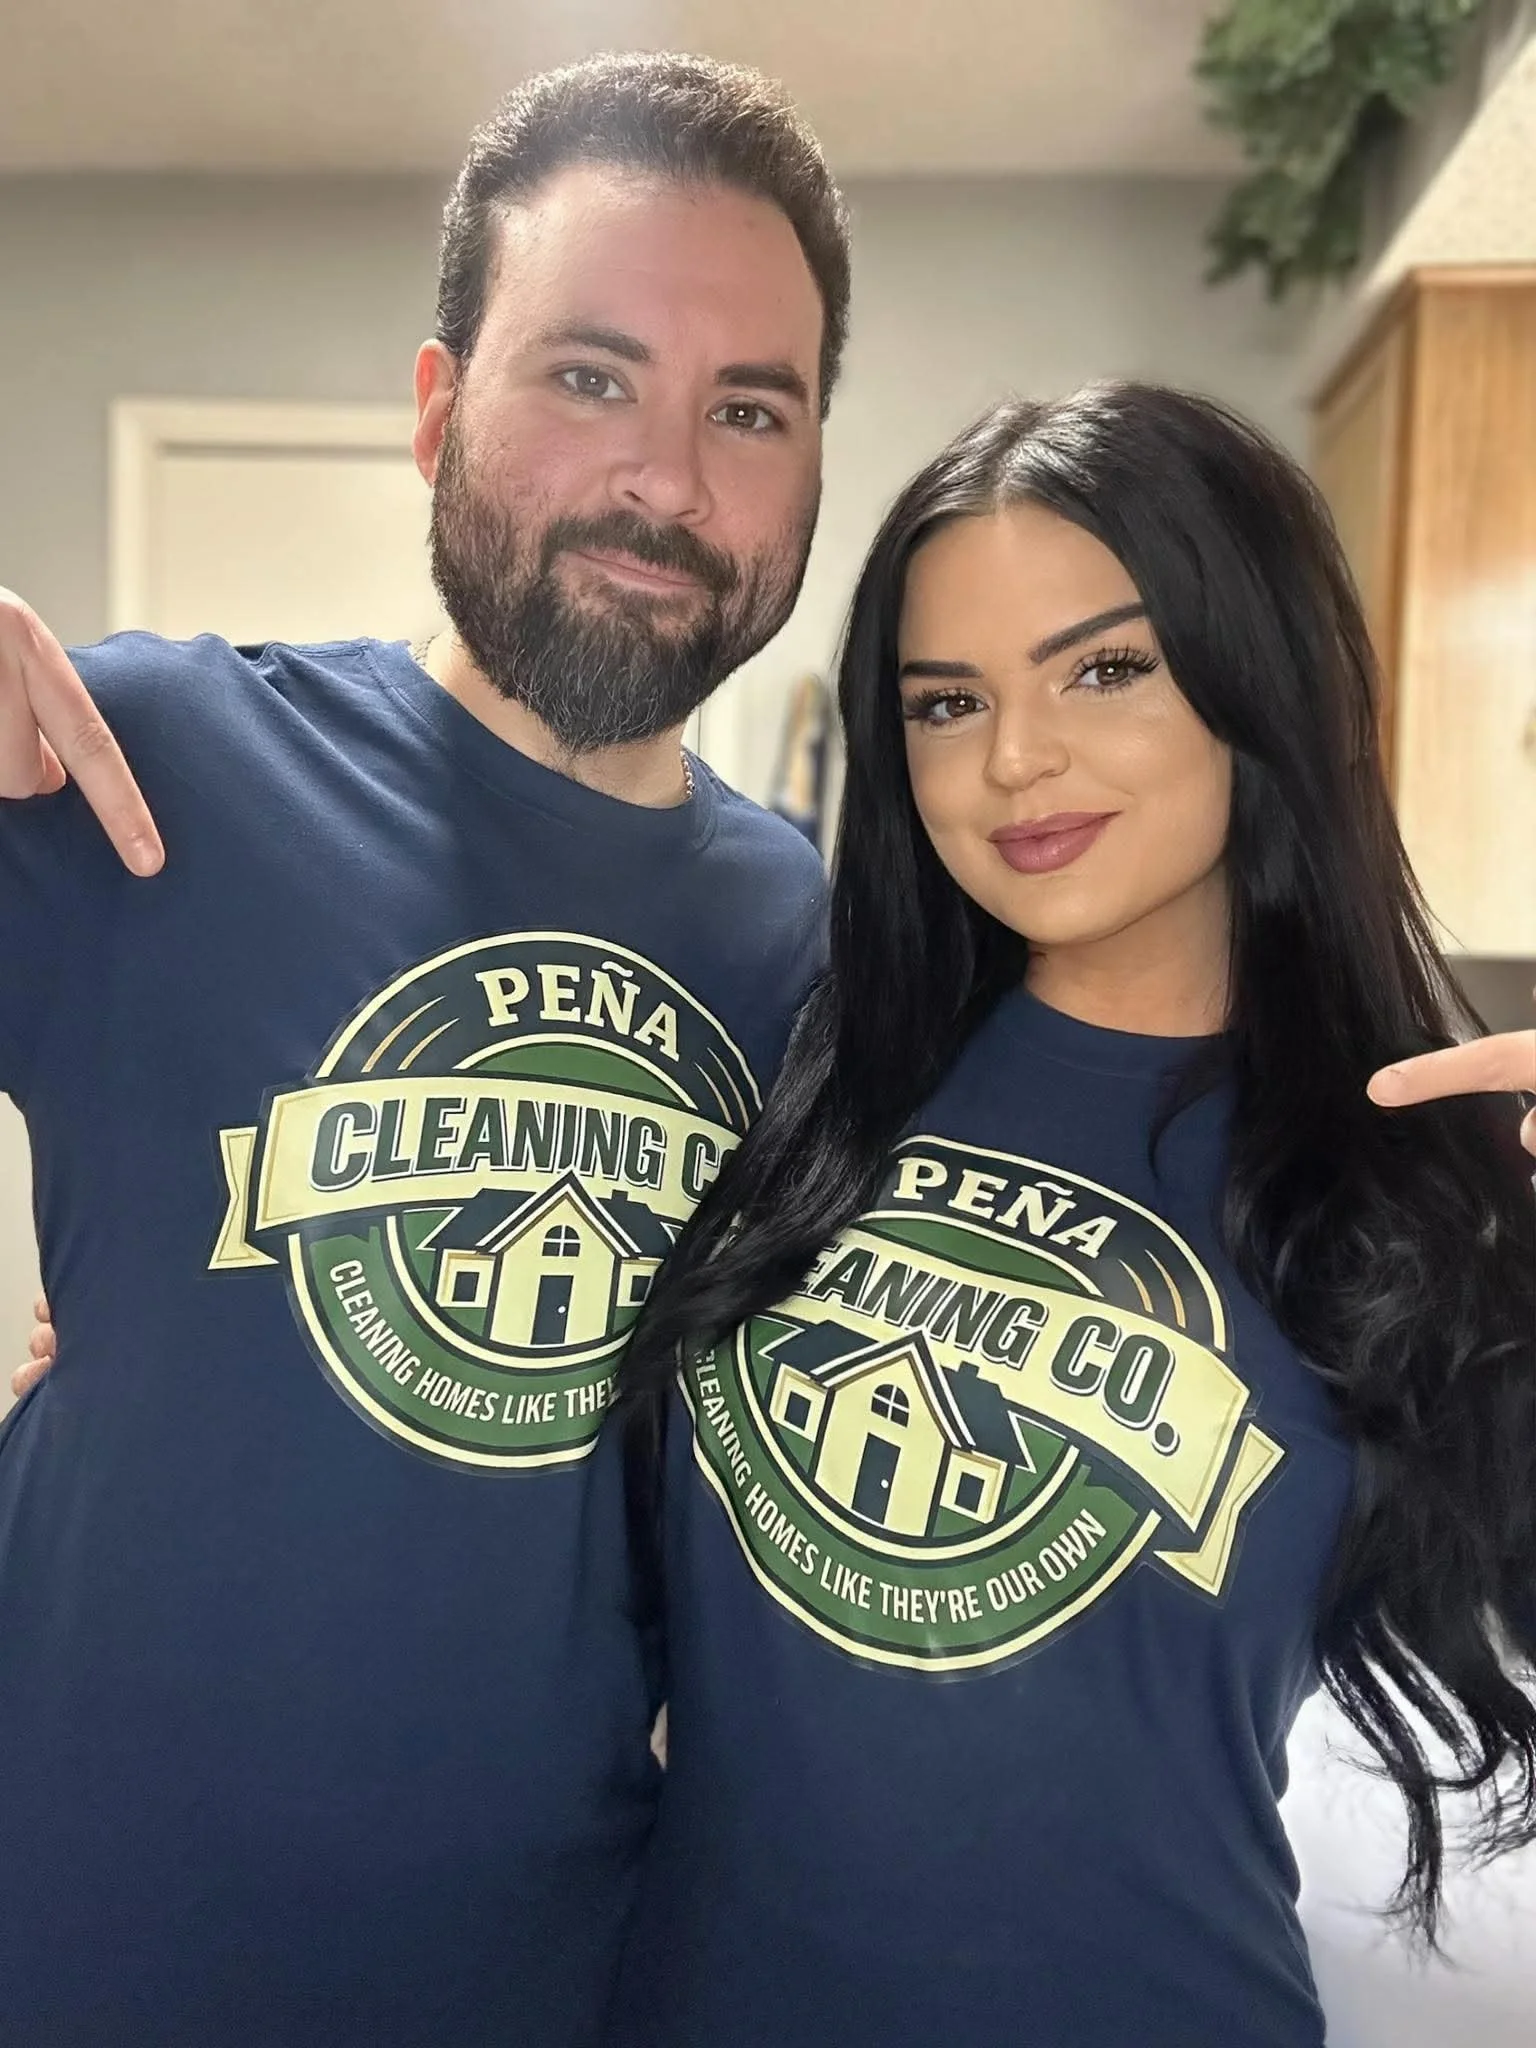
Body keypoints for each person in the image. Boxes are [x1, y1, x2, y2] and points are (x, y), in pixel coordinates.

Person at [0, 52, 847, 2047]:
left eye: (750, 408)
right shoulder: (145, 766)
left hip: (558, 1973)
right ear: (435, 406)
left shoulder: (825, 947)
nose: (667, 477)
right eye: (589, 375)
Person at [610, 385, 1536, 2048]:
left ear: (1262, 681)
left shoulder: (1427, 1177)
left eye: (1105, 669)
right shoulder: (804, 1069)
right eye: (946, 702)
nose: (1014, 761)